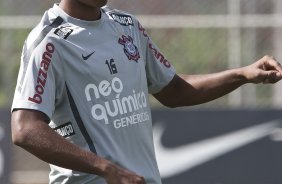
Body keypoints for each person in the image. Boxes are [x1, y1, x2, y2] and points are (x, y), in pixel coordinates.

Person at [10, 0, 282, 184]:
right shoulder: (50, 42)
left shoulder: (126, 25)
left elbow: (173, 90)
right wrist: (106, 168)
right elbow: (25, 128)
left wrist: (242, 74)